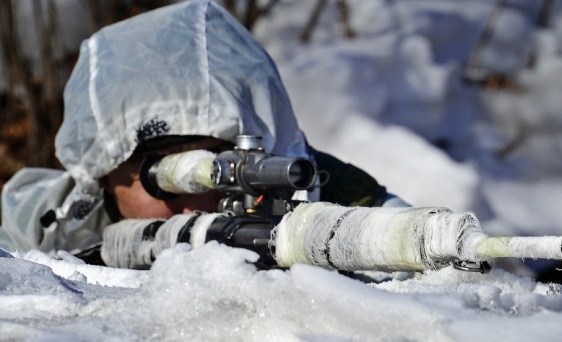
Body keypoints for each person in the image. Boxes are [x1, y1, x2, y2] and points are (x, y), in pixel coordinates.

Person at [0, 0, 407, 268]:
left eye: (220, 165)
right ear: (102, 176)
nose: (194, 206)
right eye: (159, 174)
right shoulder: (47, 229)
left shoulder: (349, 210)